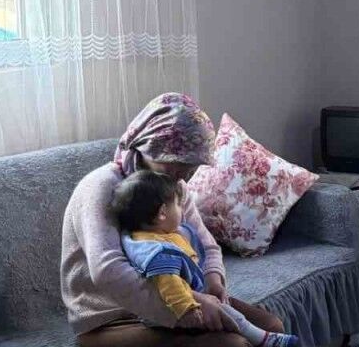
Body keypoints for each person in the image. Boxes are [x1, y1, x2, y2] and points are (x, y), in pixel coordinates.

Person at [62, 92, 286, 347]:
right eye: (176, 163)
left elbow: (205, 243)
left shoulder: (173, 185)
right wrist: (192, 302)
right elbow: (108, 271)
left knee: (271, 326)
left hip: (179, 294)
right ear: (148, 145)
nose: (183, 175)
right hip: (111, 318)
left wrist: (213, 280)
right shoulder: (101, 187)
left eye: (191, 166)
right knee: (231, 344)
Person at [108, 170, 299, 347]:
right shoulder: (159, 252)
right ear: (162, 213)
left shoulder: (146, 234)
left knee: (261, 319)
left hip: (183, 296)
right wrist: (188, 310)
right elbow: (169, 285)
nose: (182, 210)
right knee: (230, 315)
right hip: (173, 307)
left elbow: (206, 245)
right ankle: (264, 339)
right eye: (178, 204)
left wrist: (213, 282)